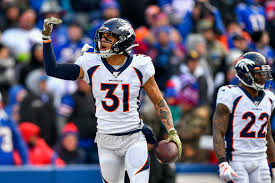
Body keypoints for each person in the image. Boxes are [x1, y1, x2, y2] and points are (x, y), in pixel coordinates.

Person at [42, 17, 182, 183]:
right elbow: (53, 69)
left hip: (133, 136)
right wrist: (46, 38)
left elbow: (159, 101)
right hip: (106, 139)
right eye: (102, 37)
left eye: (109, 38)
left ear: (123, 41)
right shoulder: (91, 63)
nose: (102, 41)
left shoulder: (140, 65)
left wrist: (172, 131)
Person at [212, 52, 275, 182]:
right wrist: (222, 162)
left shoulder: (269, 98)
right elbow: (218, 131)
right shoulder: (230, 94)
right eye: (259, 74)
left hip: (261, 160)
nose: (263, 78)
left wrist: (274, 165)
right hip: (237, 159)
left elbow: (268, 136)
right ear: (246, 74)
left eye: (264, 73)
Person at [0, 92, 28, 165]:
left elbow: (19, 144)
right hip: (7, 165)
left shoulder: (8, 121)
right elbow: (20, 144)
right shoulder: (8, 120)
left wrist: (25, 163)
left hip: (7, 164)